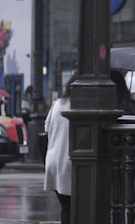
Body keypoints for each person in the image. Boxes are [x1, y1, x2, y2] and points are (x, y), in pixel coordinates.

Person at [44, 75, 75, 224]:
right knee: (75, 207)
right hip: (68, 161)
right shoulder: (83, 104)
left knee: (66, 207)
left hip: (54, 160)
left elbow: (46, 128)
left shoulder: (58, 104)